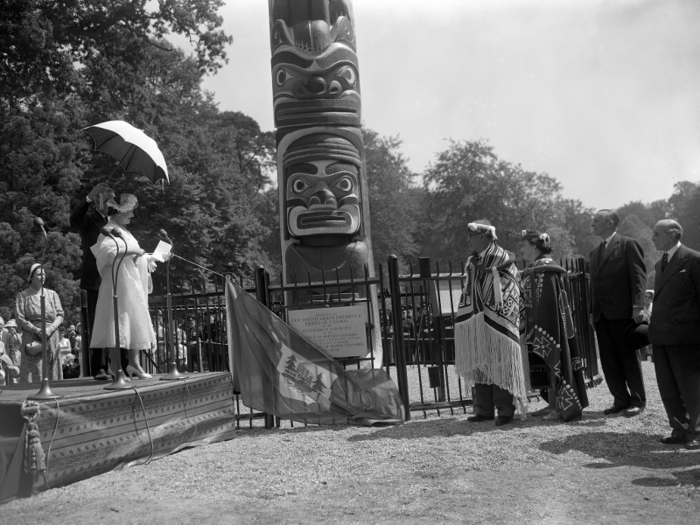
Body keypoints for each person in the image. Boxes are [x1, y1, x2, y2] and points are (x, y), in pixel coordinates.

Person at [455, 220, 527, 427]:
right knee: (480, 359)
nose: (469, 239)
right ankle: (483, 409)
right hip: (478, 318)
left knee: (500, 361)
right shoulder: (473, 260)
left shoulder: (501, 258)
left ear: (484, 236)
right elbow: (469, 288)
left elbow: (509, 287)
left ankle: (505, 410)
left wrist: (497, 312)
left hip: (499, 318)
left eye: (472, 235)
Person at [90, 193, 164, 380]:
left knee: (133, 321)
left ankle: (134, 363)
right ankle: (115, 366)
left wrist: (149, 257)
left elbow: (133, 255)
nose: (132, 216)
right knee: (118, 321)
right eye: (130, 212)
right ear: (120, 211)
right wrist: (135, 251)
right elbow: (107, 252)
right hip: (118, 284)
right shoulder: (108, 229)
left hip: (130, 283)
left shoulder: (125, 231)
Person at [520, 229, 588, 422]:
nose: (522, 249)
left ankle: (560, 407)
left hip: (550, 325)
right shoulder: (536, 268)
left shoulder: (547, 270)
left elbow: (550, 303)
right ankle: (551, 404)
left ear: (534, 245)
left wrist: (543, 324)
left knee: (554, 359)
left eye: (525, 245)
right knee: (545, 363)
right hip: (539, 324)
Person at [589, 209, 647, 417]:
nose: (592, 224)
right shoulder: (594, 252)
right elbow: (593, 286)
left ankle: (638, 400)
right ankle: (620, 399)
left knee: (628, 358)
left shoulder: (628, 244)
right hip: (601, 315)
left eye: (596, 221)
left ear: (611, 222)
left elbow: (638, 277)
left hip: (623, 313)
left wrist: (637, 306)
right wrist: (591, 312)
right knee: (609, 360)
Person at [648, 219, 700, 450]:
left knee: (691, 387)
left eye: (657, 233)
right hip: (662, 334)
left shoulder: (694, 259)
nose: (653, 238)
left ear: (672, 235)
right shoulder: (661, 263)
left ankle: (696, 433)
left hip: (685, 336)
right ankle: (679, 428)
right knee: (667, 387)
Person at [70, 182, 116, 380]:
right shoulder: (90, 218)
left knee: (114, 322)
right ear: (98, 200)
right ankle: (98, 368)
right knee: (96, 322)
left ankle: (117, 365)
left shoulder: (115, 223)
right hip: (94, 280)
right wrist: (88, 198)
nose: (110, 204)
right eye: (107, 200)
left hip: (112, 277)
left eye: (112, 200)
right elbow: (73, 220)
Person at [16, 264, 65, 383]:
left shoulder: (52, 294)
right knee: (34, 367)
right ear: (31, 277)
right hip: (32, 335)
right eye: (39, 274)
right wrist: (37, 330)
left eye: (44, 274)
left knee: (51, 366)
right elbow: (20, 319)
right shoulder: (23, 296)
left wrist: (50, 328)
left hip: (51, 334)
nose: (42, 276)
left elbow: (60, 314)